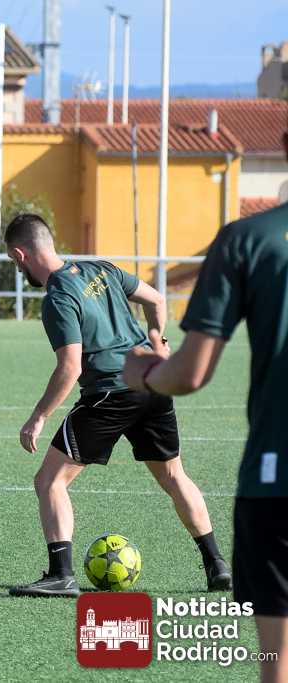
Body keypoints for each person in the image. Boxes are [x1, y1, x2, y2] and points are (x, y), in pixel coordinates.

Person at [3, 213, 230, 598]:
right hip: (153, 385)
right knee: (174, 476)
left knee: (49, 481)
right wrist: (158, 339)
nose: (17, 266)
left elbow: (71, 367)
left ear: (20, 255)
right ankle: (217, 564)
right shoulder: (100, 269)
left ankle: (61, 575)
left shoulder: (58, 297)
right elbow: (156, 299)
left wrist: (38, 417)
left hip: (110, 394)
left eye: (14, 260)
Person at [123, 202, 288, 680]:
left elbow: (190, 373)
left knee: (278, 661)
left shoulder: (248, 238)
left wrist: (144, 373)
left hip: (277, 478)